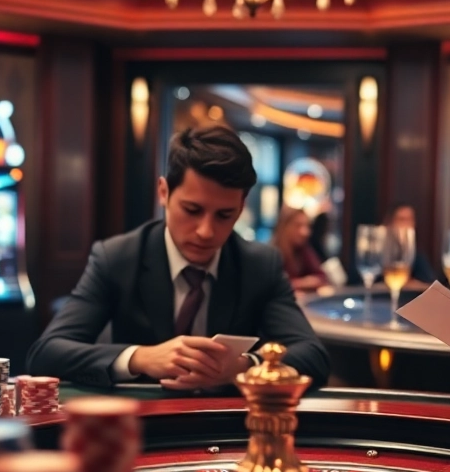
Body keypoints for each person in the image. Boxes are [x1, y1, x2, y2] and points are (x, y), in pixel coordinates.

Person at [28, 126, 329, 390]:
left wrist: (243, 367)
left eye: (224, 215)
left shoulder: (260, 265)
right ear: (164, 192)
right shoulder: (117, 258)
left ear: (241, 207)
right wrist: (141, 358)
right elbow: (46, 353)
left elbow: (314, 357)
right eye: (192, 210)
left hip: (228, 426)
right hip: (142, 421)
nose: (206, 231)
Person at [273, 205, 330, 292]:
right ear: (284, 227)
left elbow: (321, 277)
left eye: (307, 226)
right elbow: (275, 285)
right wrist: (303, 283)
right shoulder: (272, 254)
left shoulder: (304, 249)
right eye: (298, 225)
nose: (305, 232)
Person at [384, 204, 436, 288]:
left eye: (410, 219)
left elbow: (431, 285)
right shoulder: (377, 254)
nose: (406, 224)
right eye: (401, 219)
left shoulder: (417, 255)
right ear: (389, 223)